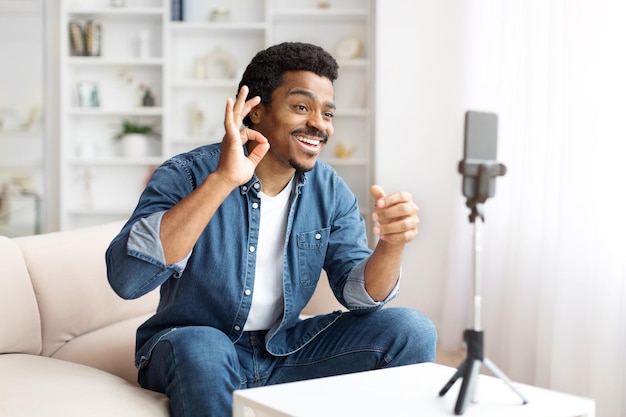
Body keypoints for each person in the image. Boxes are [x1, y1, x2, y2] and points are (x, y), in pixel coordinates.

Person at [106, 42, 437, 417]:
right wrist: (224, 181)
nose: (319, 124)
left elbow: (358, 296)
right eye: (301, 107)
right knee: (204, 346)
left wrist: (391, 245)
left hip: (284, 351)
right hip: (194, 347)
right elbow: (128, 279)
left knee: (412, 329)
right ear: (256, 111)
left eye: (327, 113)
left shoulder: (329, 190)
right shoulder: (187, 174)